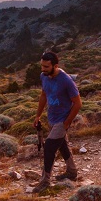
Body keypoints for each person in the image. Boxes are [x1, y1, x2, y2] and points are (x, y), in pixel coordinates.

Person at [32, 51, 82, 193]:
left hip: (62, 119)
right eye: (42, 66)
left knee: (49, 147)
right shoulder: (44, 76)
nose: (43, 69)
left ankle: (45, 181)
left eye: (46, 67)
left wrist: (66, 123)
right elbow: (43, 95)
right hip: (52, 118)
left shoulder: (66, 81)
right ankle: (72, 172)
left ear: (55, 65)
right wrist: (38, 116)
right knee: (62, 145)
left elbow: (78, 104)